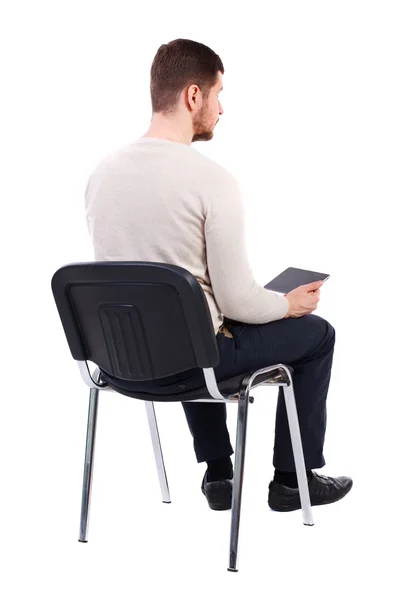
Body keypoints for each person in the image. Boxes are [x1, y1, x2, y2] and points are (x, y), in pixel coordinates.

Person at [85, 38, 353, 512]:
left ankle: (218, 472)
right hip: (194, 366)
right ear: (193, 96)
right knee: (317, 335)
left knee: (180, 318)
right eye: (218, 93)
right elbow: (235, 303)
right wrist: (288, 304)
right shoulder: (212, 181)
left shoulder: (101, 174)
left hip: (118, 364)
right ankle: (294, 481)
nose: (222, 108)